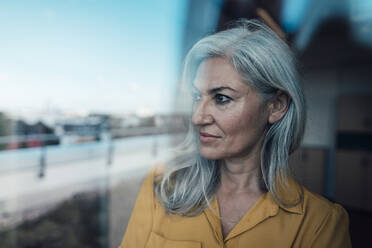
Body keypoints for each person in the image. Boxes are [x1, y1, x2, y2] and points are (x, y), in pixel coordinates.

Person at [119, 19, 351, 248]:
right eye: (197, 97)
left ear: (276, 106)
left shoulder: (320, 223)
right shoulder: (162, 185)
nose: (197, 117)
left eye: (221, 98)